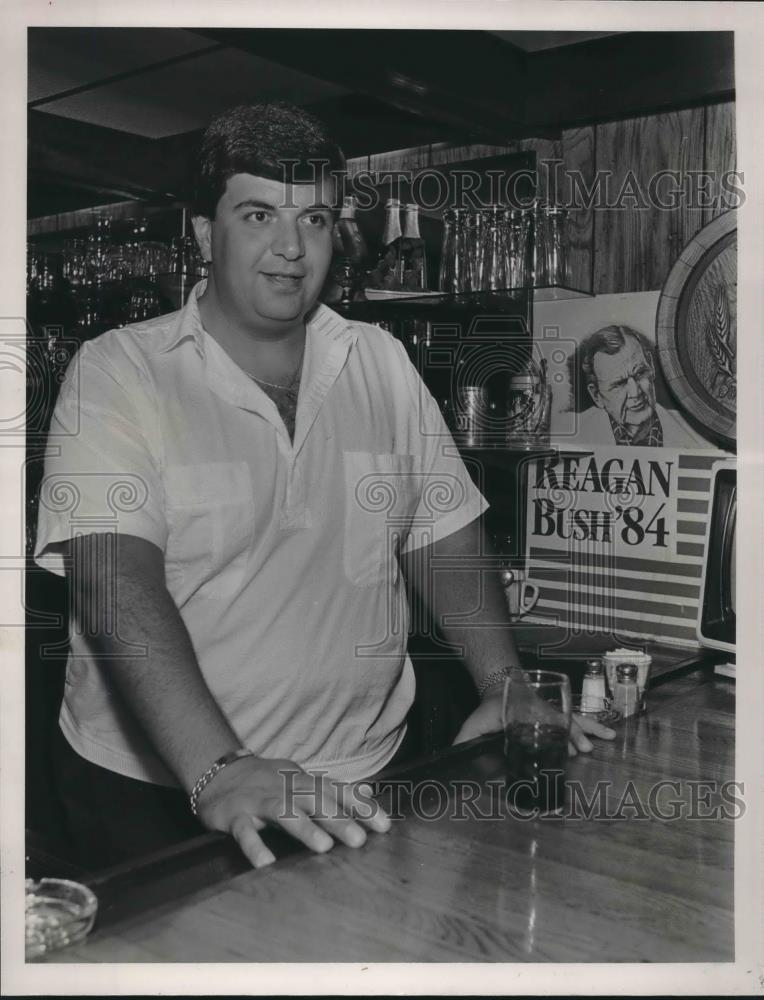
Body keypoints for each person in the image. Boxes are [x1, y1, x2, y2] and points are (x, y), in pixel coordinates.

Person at [34, 103, 614, 872]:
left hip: (360, 774)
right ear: (205, 234)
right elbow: (113, 581)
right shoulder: (119, 371)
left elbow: (442, 533)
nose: (289, 247)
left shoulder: (379, 362)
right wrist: (218, 767)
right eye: (258, 214)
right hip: (164, 793)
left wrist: (502, 681)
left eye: (313, 219)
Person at [568, 325, 709, 447]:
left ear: (651, 367)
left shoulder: (698, 435)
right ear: (597, 396)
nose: (635, 392)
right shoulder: (571, 440)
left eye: (640, 373)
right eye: (619, 384)